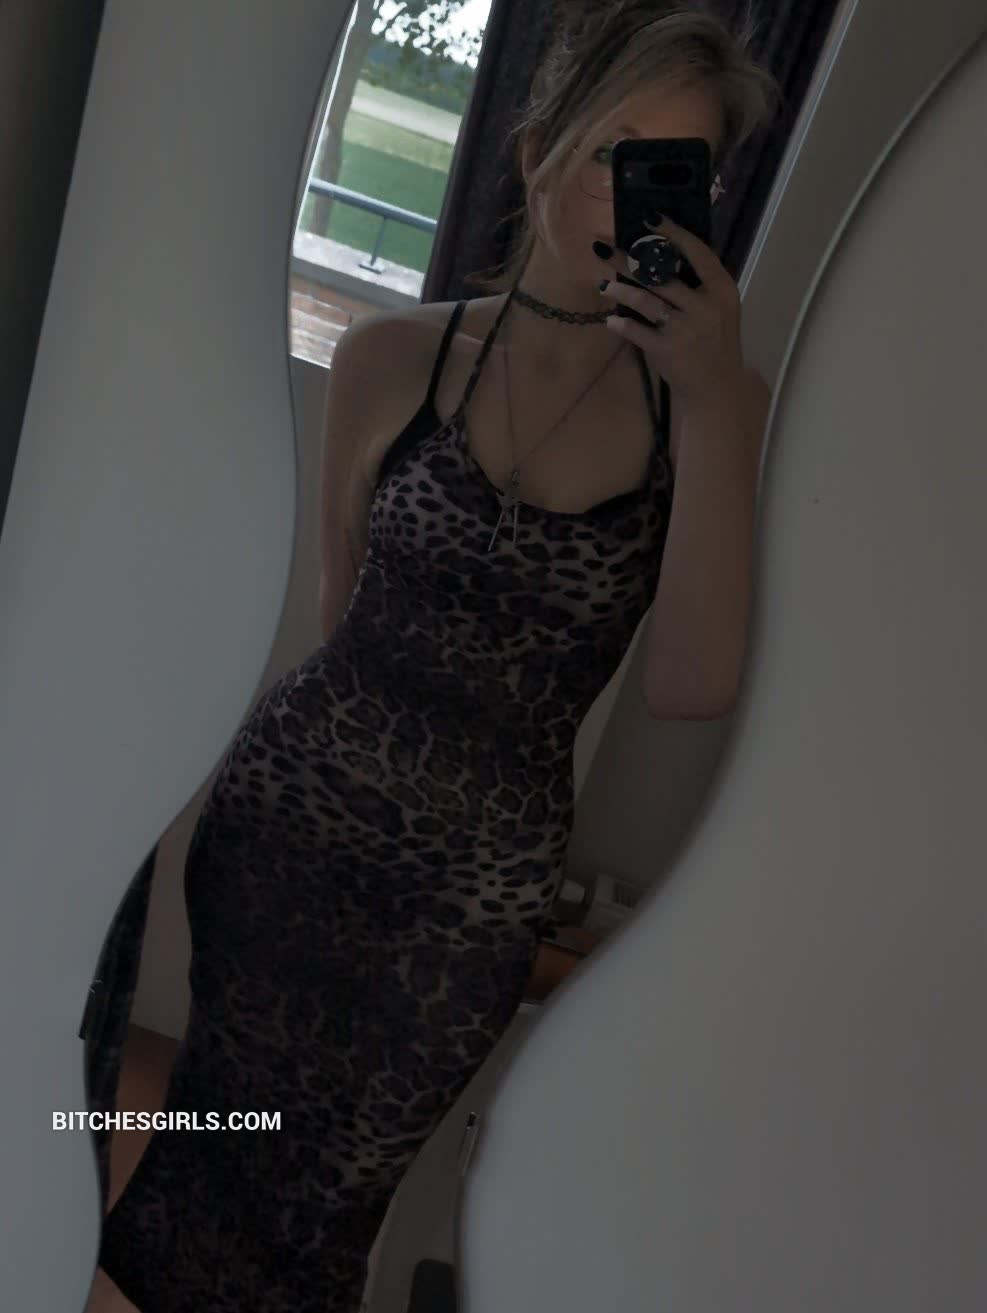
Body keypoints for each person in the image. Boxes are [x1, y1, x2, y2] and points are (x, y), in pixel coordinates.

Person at [96, 3, 780, 1311]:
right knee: (203, 1152)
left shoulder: (717, 408)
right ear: (535, 150)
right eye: (614, 152)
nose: (634, 200)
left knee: (323, 1216)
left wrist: (707, 397)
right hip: (288, 829)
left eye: (675, 169)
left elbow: (693, 683)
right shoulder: (390, 356)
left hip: (465, 905)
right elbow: (340, 613)